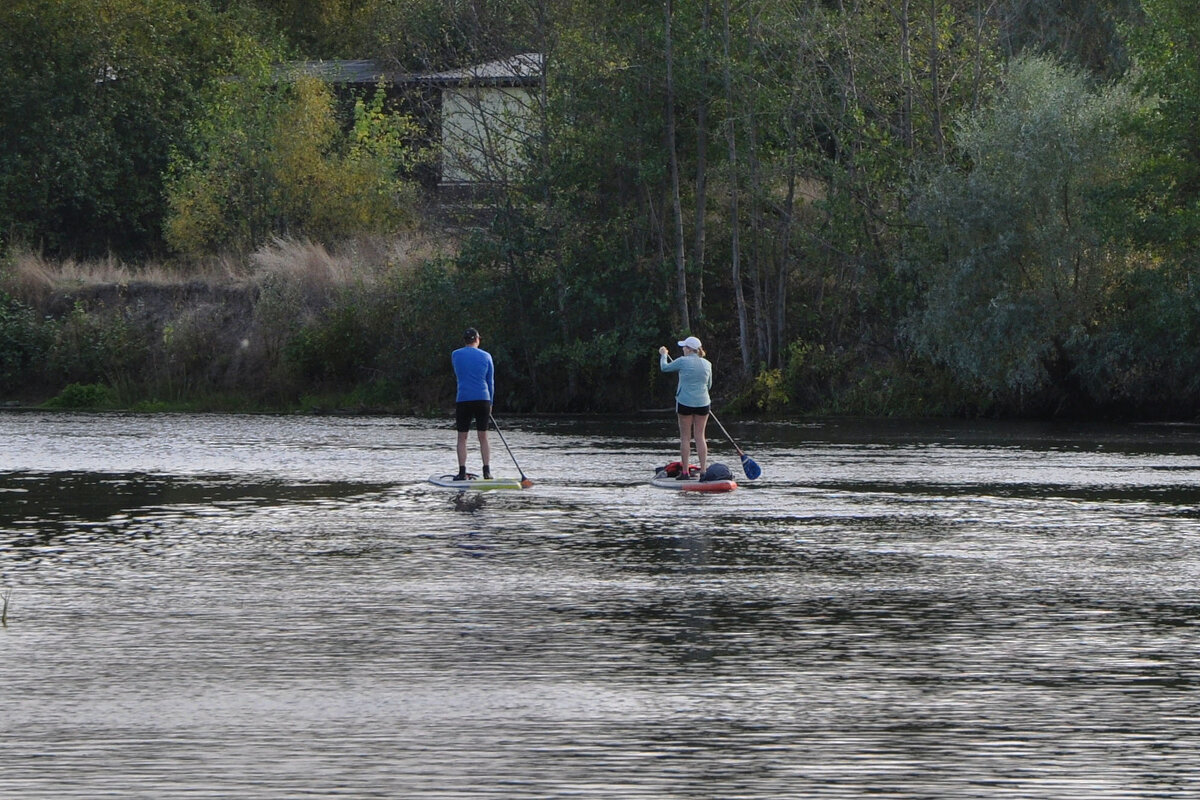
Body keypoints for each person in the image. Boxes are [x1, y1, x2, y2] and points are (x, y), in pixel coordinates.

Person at [658, 335, 713, 479]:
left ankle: (685, 473)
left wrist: (664, 355)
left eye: (684, 347)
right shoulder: (707, 364)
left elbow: (664, 368)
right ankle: (703, 472)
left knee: (685, 438)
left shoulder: (682, 361)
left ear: (689, 349)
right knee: (700, 437)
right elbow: (709, 385)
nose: (683, 349)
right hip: (703, 403)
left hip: (685, 403)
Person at [451, 327, 494, 480]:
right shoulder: (487, 356)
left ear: (465, 340)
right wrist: (491, 403)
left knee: (462, 437)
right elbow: (490, 382)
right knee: (483, 436)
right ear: (477, 339)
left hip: (463, 399)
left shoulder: (455, 355)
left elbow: (459, 374)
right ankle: (486, 472)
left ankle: (462, 472)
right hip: (483, 399)